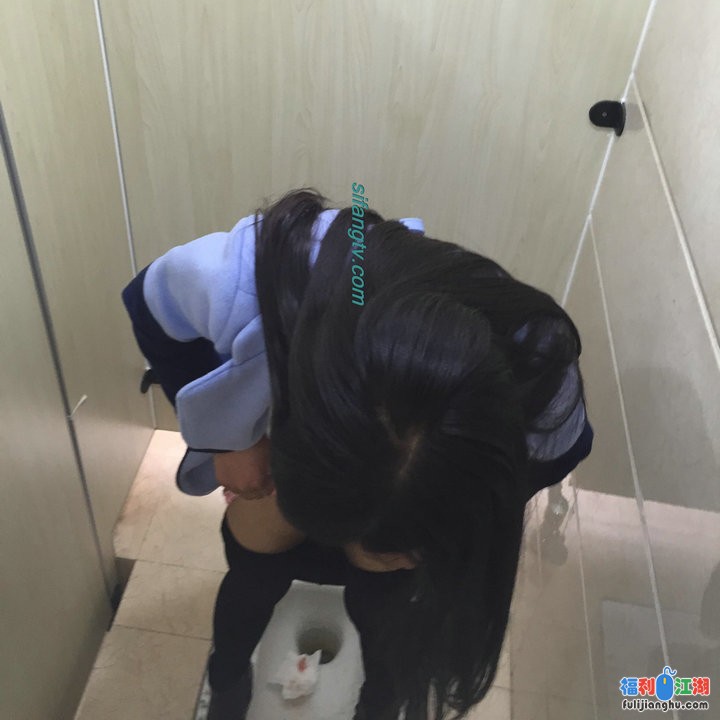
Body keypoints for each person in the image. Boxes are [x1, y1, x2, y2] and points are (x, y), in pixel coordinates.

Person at [121, 186, 594, 720]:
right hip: (312, 448)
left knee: (384, 601)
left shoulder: (539, 378)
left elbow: (551, 461)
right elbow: (149, 305)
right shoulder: (260, 274)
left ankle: (380, 704)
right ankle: (227, 675)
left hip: (409, 486)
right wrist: (232, 440)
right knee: (256, 567)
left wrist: (452, 510)